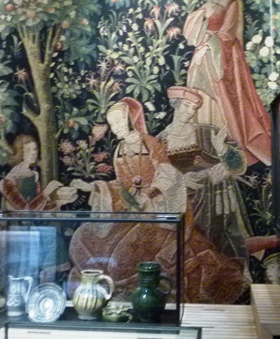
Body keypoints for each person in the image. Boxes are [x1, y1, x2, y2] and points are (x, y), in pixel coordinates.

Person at [69, 98, 246, 304]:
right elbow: (121, 185)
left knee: (124, 251)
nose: (114, 127)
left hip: (159, 208)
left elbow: (167, 175)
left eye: (117, 121)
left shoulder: (150, 143)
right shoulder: (119, 149)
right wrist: (93, 187)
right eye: (111, 123)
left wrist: (149, 195)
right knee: (85, 234)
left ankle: (133, 291)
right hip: (134, 209)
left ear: (129, 120)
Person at [158, 86, 280, 264]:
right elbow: (159, 177)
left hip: (214, 200)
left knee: (223, 247)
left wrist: (222, 149)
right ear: (175, 105)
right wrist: (181, 181)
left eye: (194, 108)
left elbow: (239, 166)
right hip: (181, 204)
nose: (190, 112)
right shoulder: (161, 140)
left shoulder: (208, 132)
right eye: (186, 106)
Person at [183, 0, 272, 166]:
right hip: (203, 51)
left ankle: (223, 143)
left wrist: (211, 41)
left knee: (220, 95)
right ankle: (200, 142)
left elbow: (228, 32)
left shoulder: (232, 0)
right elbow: (195, 26)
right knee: (199, 93)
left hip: (219, 53)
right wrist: (203, 18)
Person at [0, 134, 65, 211]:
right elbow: (26, 211)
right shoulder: (7, 182)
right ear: (20, 152)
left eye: (35, 149)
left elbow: (39, 209)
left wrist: (61, 202)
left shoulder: (33, 175)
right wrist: (45, 193)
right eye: (28, 150)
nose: (33, 153)